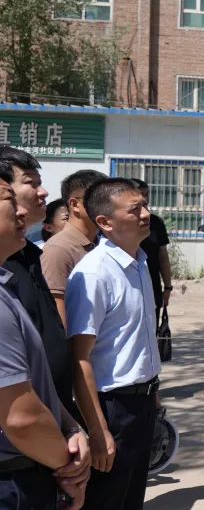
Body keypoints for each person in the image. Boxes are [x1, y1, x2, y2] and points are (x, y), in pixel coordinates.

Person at [66, 178, 162, 510]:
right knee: (108, 500)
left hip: (141, 403)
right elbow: (80, 358)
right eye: (135, 210)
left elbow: (137, 341)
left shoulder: (140, 262)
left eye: (145, 206)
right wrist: (98, 430)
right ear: (105, 222)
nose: (146, 214)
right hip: (112, 409)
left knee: (131, 498)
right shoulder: (95, 273)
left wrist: (153, 391)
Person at [0, 168, 91, 510]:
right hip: (13, 480)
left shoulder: (8, 284)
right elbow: (20, 418)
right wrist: (70, 468)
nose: (22, 212)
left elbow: (36, 384)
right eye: (9, 201)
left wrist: (70, 428)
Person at [0, 149, 79, 421]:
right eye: (30, 183)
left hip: (53, 411)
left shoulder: (30, 255)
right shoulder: (5, 264)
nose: (43, 192)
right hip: (24, 425)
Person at [42, 169, 107, 326]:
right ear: (75, 204)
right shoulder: (58, 249)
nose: (109, 206)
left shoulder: (102, 244)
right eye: (101, 199)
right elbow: (56, 315)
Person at [130, 180, 172, 326]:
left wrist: (168, 287)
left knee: (151, 328)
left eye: (146, 194)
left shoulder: (155, 223)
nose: (145, 198)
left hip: (152, 285)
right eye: (140, 194)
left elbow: (163, 256)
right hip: (129, 286)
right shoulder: (123, 224)